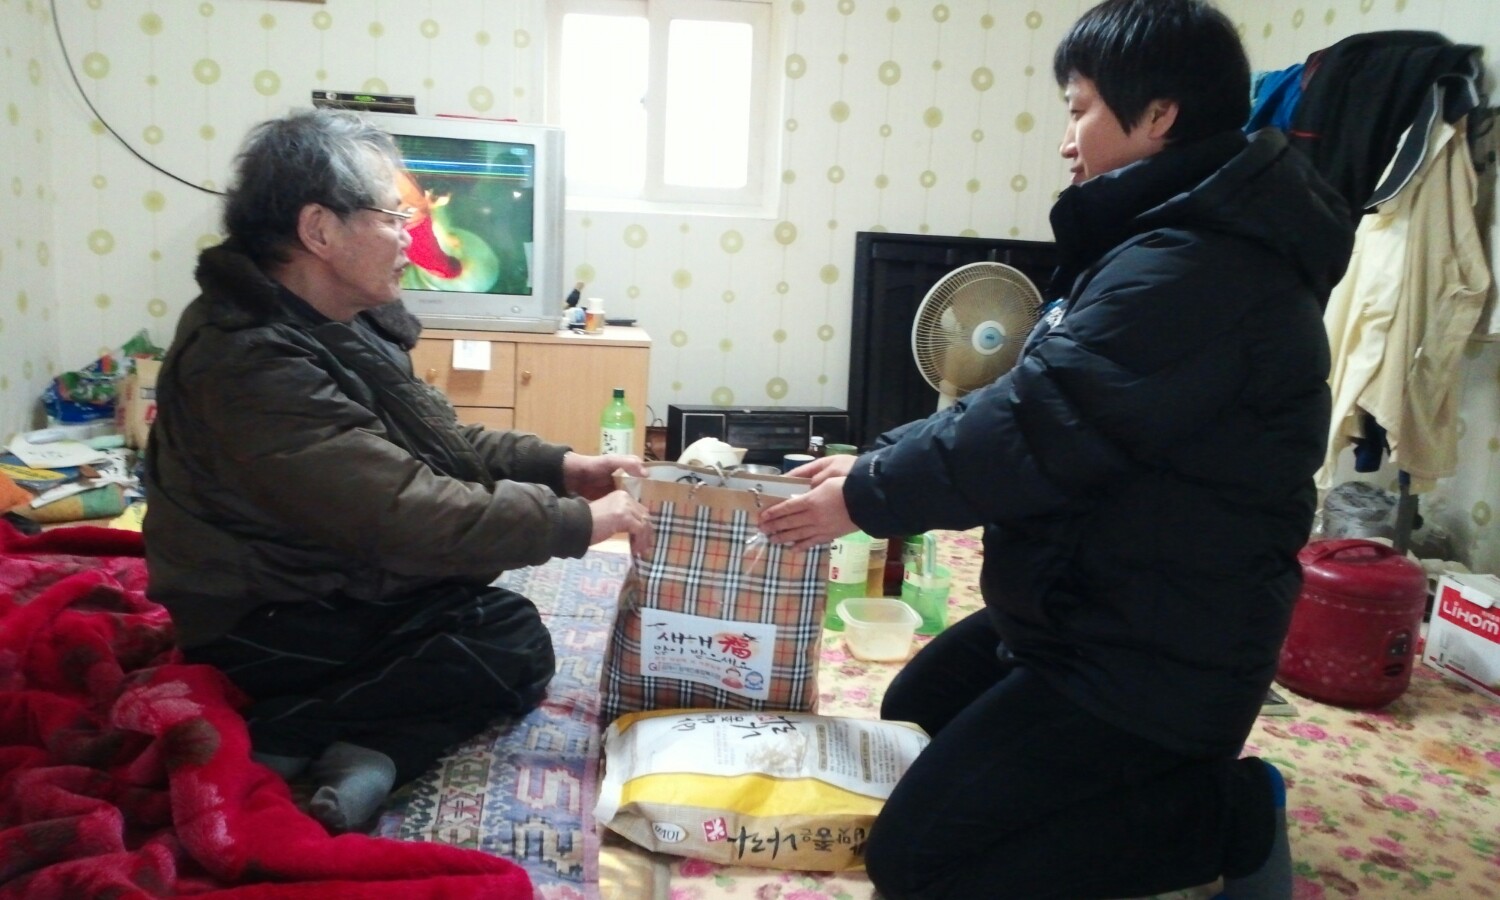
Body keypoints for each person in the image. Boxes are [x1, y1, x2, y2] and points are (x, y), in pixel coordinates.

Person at [758, 1, 1354, 897]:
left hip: (1160, 654)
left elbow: (1039, 423)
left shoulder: (1199, 269)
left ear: (1158, 115)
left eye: (1080, 109)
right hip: (1092, 598)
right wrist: (875, 461)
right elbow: (1031, 398)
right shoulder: (1162, 240)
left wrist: (866, 497)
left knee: (918, 863)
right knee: (916, 708)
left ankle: (1222, 813)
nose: (1067, 140)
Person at [143, 108, 649, 834]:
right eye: (394, 217)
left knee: (504, 631)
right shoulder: (247, 358)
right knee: (500, 638)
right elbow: (403, 510)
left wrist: (564, 468)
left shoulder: (335, 318)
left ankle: (372, 749)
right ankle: (284, 727)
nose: (413, 236)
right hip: (260, 615)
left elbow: (439, 443)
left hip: (328, 573)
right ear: (319, 230)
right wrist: (579, 523)